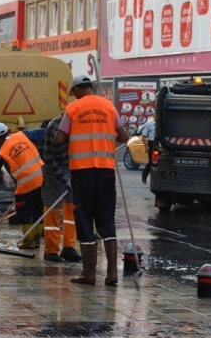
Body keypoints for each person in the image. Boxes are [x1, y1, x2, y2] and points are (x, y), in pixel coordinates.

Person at [55, 74, 129, 286]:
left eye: (74, 93)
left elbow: (58, 138)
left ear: (77, 90)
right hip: (106, 171)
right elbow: (124, 137)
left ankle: (89, 274)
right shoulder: (109, 107)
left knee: (85, 220)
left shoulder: (73, 109)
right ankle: (112, 274)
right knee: (106, 221)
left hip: (82, 172)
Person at [0, 122, 45, 250]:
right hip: (42, 179)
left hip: (26, 185)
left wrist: (18, 189)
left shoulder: (3, 152)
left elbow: (13, 173)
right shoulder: (22, 135)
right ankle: (37, 241)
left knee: (24, 213)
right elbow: (43, 132)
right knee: (39, 210)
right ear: (8, 131)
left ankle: (28, 242)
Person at [42, 113, 82, 263]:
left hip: (73, 167)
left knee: (72, 208)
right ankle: (51, 250)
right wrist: (64, 179)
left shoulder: (81, 124)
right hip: (55, 169)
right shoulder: (54, 126)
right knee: (52, 207)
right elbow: (49, 158)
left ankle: (68, 247)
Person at [141, 109, 156, 184]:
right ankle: (144, 176)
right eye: (156, 114)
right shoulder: (149, 124)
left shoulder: (162, 123)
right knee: (151, 162)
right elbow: (143, 137)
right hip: (151, 143)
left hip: (160, 143)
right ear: (153, 115)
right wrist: (146, 146)